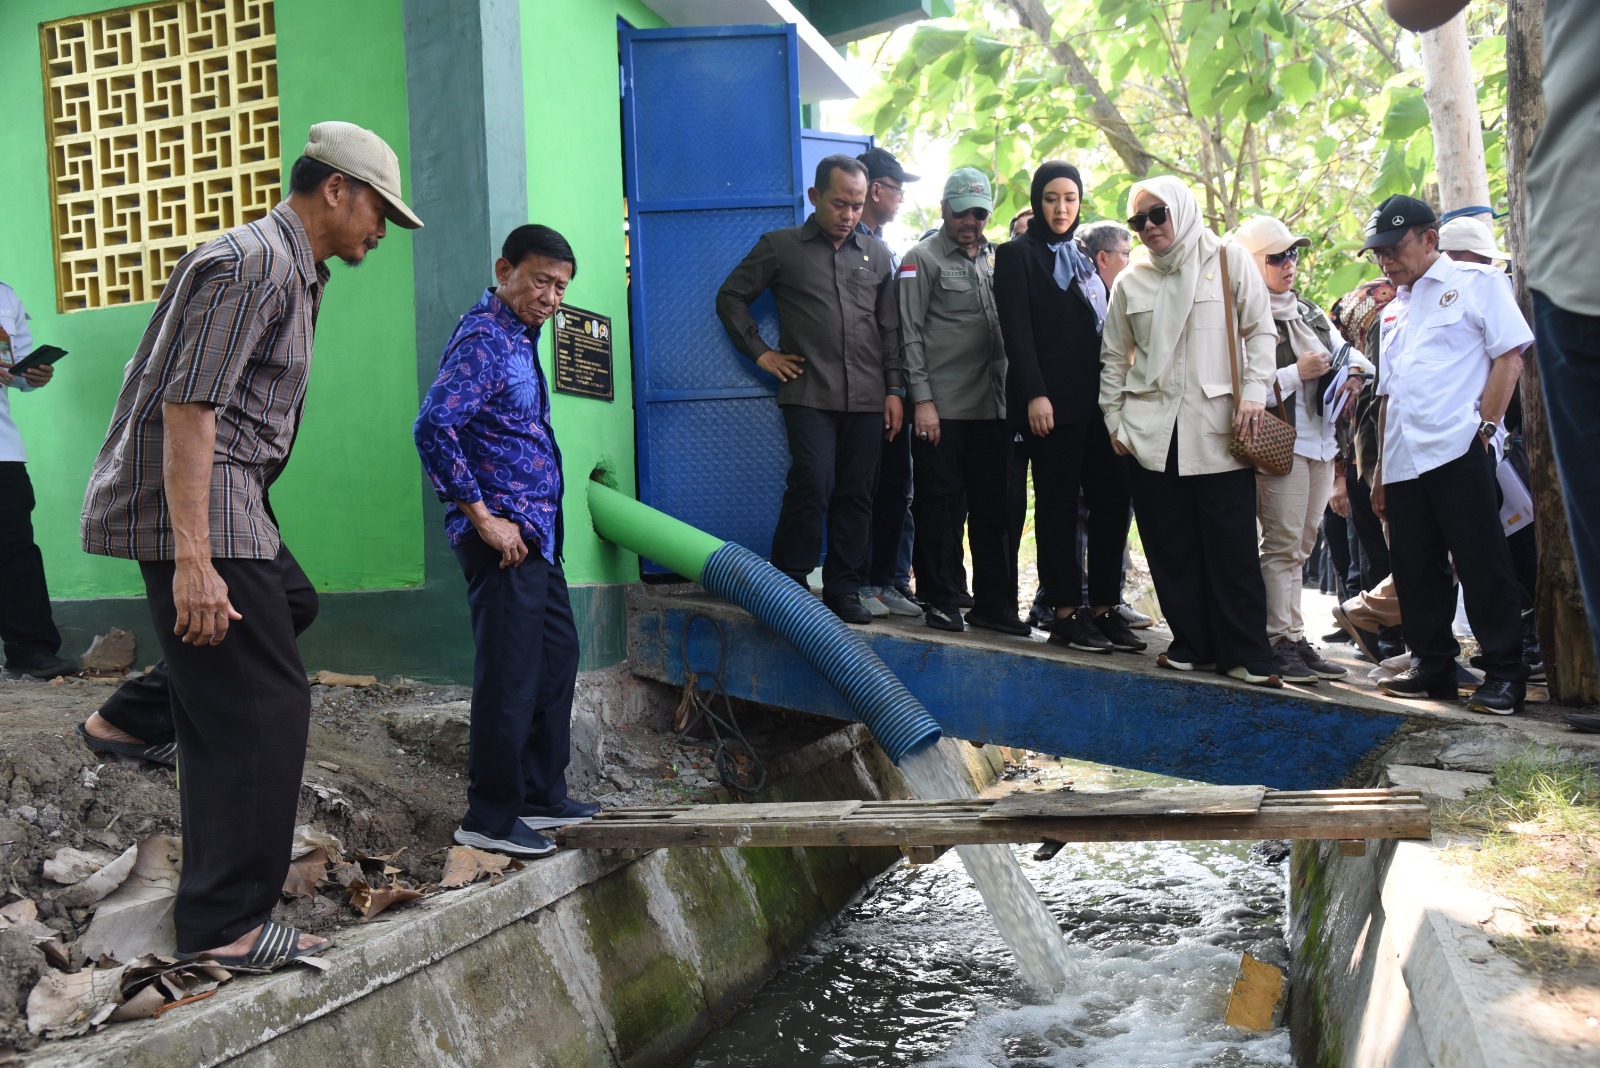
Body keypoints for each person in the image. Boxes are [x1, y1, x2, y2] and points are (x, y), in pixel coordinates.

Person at [79, 121, 421, 970]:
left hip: (238, 498)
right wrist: (192, 559)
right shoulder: (253, 264)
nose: (384, 228)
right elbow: (189, 409)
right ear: (336, 188)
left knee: (289, 606)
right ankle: (226, 923)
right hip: (205, 499)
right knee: (265, 706)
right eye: (380, 208)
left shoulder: (293, 270)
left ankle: (127, 720)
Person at [413, 225, 595, 858]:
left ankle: (541, 795)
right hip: (502, 538)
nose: (551, 296)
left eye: (561, 287)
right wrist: (482, 516)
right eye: (541, 280)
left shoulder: (522, 338)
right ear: (505, 269)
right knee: (511, 676)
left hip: (537, 537)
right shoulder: (485, 338)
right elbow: (435, 424)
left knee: (554, 659)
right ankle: (489, 816)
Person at [1100, 176, 1281, 686]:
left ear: (1181, 208)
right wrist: (1114, 419)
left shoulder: (1226, 259)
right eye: (1139, 221)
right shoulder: (1131, 281)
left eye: (1158, 214)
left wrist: (1253, 394)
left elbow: (1260, 331)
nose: (1150, 227)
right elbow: (1114, 356)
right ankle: (1193, 643)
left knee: (1231, 542)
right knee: (1169, 543)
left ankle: (1247, 652)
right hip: (1151, 430)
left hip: (1219, 425)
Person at [716, 155, 903, 624]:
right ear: (816, 197)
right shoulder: (781, 247)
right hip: (808, 393)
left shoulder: (877, 255)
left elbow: (890, 329)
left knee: (857, 493)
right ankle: (790, 582)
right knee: (813, 482)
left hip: (867, 395)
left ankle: (844, 590)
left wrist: (895, 390)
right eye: (840, 203)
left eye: (858, 206)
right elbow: (731, 296)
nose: (849, 214)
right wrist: (761, 351)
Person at [1363, 195, 1532, 714]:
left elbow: (1510, 356)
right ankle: (1432, 663)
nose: (1387, 260)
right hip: (1403, 457)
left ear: (1430, 239)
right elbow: (1389, 397)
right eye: (1379, 253)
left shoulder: (1476, 285)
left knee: (1482, 564)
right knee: (1415, 568)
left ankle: (1504, 673)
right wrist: (1379, 476)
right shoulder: (1393, 310)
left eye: (1396, 248)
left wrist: (1485, 427)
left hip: (1459, 448)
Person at [996, 162, 1143, 654]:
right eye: (1052, 198)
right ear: (1038, 200)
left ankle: (1103, 606)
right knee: (1058, 508)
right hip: (1051, 406)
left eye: (1071, 198)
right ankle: (1063, 612)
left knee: (1112, 502)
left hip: (1099, 402)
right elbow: (1017, 331)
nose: (1061, 208)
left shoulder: (1081, 256)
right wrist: (1036, 394)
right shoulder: (1017, 255)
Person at [1232, 216, 1368, 684]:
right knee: (1283, 544)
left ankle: (1292, 635)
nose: (1289, 264)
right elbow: (1238, 390)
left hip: (1321, 441)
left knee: (1302, 545)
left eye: (1293, 254)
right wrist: (1298, 373)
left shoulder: (1306, 311)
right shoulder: (1241, 314)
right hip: (1277, 444)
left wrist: (1352, 372)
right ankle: (1277, 640)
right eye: (1277, 257)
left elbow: (1352, 354)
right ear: (1253, 264)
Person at [898, 168, 1024, 635]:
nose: (970, 220)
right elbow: (908, 336)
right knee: (940, 507)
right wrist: (922, 402)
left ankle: (994, 605)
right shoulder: (920, 258)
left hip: (993, 408)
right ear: (943, 209)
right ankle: (941, 598)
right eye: (961, 211)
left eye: (979, 212)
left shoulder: (995, 259)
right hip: (943, 410)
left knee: (996, 509)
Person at [855, 147, 922, 620]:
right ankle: (860, 583)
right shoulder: (849, 245)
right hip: (862, 390)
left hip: (896, 386)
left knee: (897, 486)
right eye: (897, 191)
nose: (900, 201)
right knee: (863, 488)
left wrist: (898, 388)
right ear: (876, 190)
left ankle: (886, 581)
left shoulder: (885, 245)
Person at [0, 283, 76, 680]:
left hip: (2, 449)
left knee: (15, 552)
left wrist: (33, 375)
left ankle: (30, 651)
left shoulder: (7, 297)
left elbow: (19, 375)